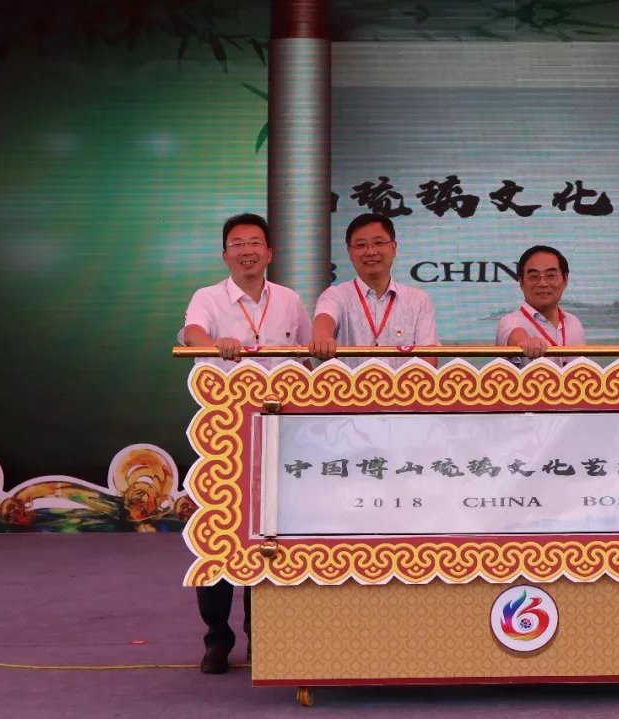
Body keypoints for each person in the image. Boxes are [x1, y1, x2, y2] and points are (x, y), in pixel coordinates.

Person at [180, 212, 313, 674]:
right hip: (225, 437)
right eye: (237, 244)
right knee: (220, 533)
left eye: (255, 242)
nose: (246, 251)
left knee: (271, 535)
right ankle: (217, 638)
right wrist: (214, 342)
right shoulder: (207, 297)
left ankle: (263, 635)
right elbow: (192, 334)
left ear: (270, 252)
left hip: (280, 435)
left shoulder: (290, 300)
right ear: (225, 255)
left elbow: (308, 357)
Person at [309, 213, 440, 367]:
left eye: (378, 243)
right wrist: (323, 337)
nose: (370, 251)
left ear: (393, 248)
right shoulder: (336, 295)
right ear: (349, 252)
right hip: (351, 383)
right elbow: (325, 317)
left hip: (404, 382)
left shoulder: (418, 300)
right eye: (360, 245)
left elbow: (428, 358)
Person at [495, 245, 586, 367]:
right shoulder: (509, 321)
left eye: (551, 276)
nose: (542, 283)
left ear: (565, 279)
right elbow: (516, 335)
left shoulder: (574, 322)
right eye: (534, 277)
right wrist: (525, 342)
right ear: (521, 282)